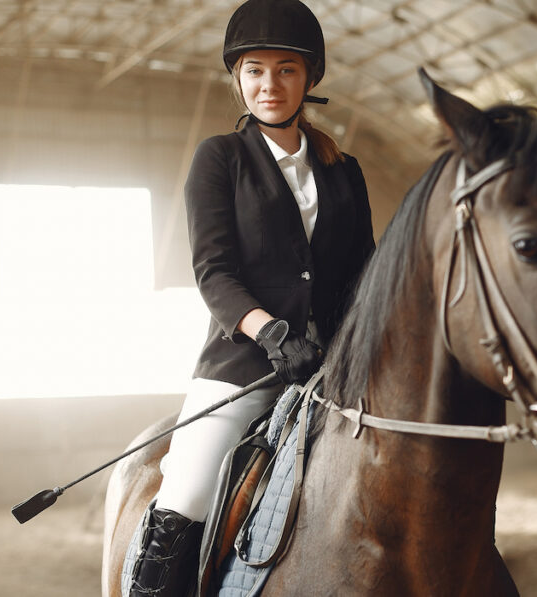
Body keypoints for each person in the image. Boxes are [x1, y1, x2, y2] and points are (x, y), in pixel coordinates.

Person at [123, 1, 374, 595]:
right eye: (256, 70)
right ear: (238, 77)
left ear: (309, 78)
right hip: (245, 365)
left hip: (338, 367)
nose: (270, 84)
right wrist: (271, 333)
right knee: (183, 494)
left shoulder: (346, 171)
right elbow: (213, 273)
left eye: (286, 69)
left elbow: (366, 271)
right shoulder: (220, 159)